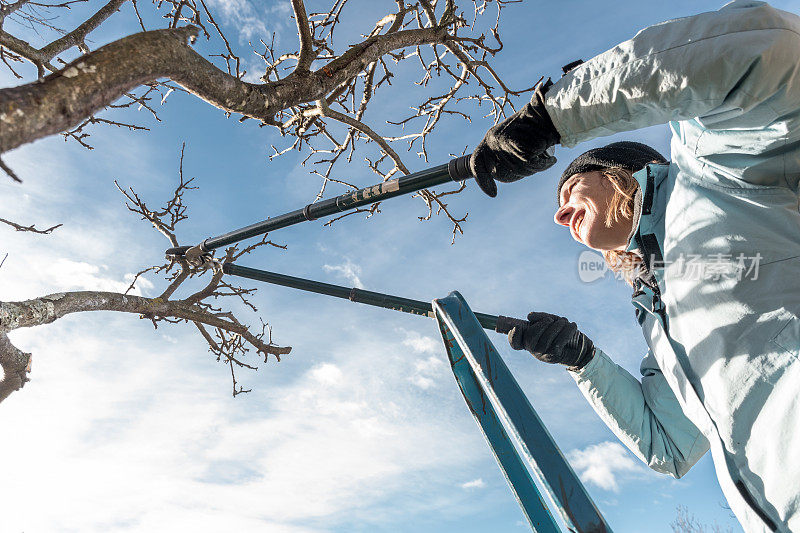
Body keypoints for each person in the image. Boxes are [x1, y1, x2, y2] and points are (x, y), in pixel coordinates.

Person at [471, 1, 800, 531]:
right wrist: (583, 360)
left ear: (621, 172)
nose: (560, 216)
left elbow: (771, 49)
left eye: (571, 186)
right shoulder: (660, 315)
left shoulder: (714, 170)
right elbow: (670, 446)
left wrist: (556, 117)